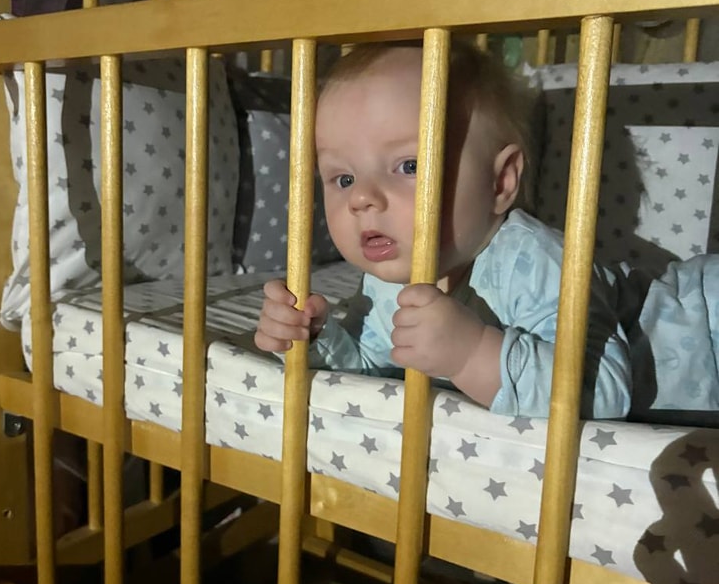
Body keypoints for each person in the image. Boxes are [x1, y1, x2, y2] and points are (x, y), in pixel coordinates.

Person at [254, 41, 719, 422]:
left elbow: (603, 387)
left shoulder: (529, 259)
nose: (362, 199)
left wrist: (470, 354)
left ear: (500, 182)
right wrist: (312, 338)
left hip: (704, 326)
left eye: (409, 166)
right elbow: (375, 368)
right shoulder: (385, 283)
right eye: (343, 178)